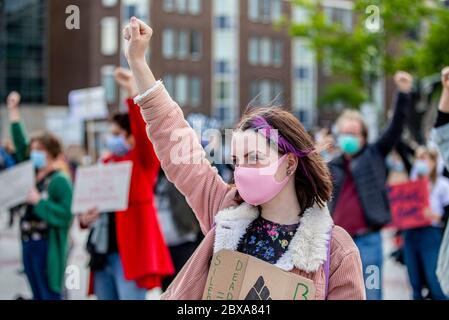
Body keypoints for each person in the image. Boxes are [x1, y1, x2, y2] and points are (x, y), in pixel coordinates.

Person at [122, 17, 365, 300]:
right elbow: (176, 142)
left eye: (254, 157)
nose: (242, 170)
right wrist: (138, 62)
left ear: (289, 163)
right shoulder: (224, 209)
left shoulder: (335, 250)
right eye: (237, 161)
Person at [79, 68, 174, 300]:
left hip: (129, 256)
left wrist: (131, 91)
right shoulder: (105, 162)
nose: (110, 139)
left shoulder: (142, 162)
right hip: (103, 253)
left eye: (116, 133)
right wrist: (84, 218)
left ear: (130, 137)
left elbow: (143, 131)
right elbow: (88, 206)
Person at [327, 71, 413, 300]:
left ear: (364, 137)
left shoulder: (374, 154)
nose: (347, 138)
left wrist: (403, 94)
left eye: (353, 133)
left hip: (368, 241)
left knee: (371, 292)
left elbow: (395, 128)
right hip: (337, 243)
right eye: (344, 133)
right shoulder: (332, 165)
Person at [7, 91, 73, 300]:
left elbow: (65, 216)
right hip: (28, 242)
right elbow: (20, 143)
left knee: (50, 293)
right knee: (36, 292)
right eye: (33, 149)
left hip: (47, 245)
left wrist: (40, 203)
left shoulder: (59, 180)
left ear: (51, 152)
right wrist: (13, 111)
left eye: (39, 150)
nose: (33, 153)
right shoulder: (32, 174)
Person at [404, 147, 449, 300]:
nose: (421, 162)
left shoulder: (443, 185)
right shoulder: (411, 184)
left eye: (425, 159)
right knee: (414, 283)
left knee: (435, 281)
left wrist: (437, 217)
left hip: (431, 234)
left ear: (434, 162)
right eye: (418, 158)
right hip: (411, 233)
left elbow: (446, 215)